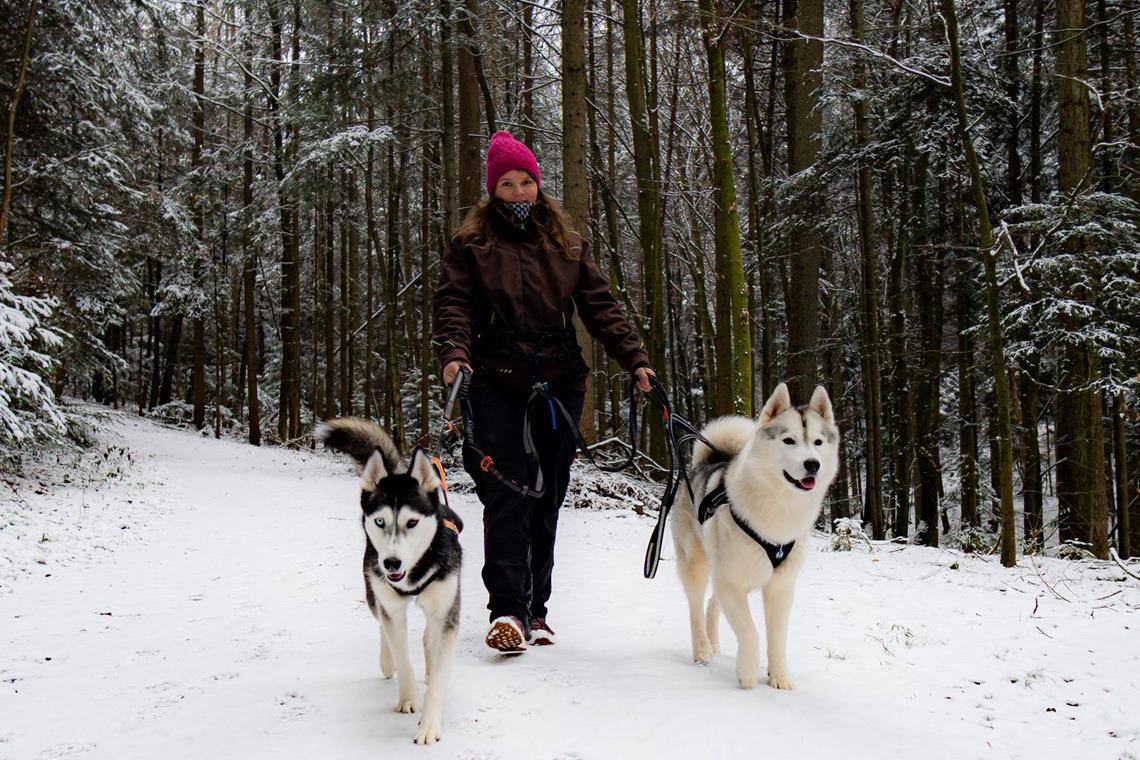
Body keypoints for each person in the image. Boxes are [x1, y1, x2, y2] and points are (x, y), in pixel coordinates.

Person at [433, 131, 655, 653]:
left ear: (539, 185)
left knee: (547, 497)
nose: (517, 191)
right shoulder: (470, 246)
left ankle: (537, 611)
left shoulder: (568, 245)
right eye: (506, 183)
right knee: (507, 492)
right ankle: (506, 609)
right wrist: (454, 356)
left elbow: (601, 308)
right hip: (494, 380)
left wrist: (636, 361)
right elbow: (453, 306)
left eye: (525, 181)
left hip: (559, 382)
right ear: (493, 191)